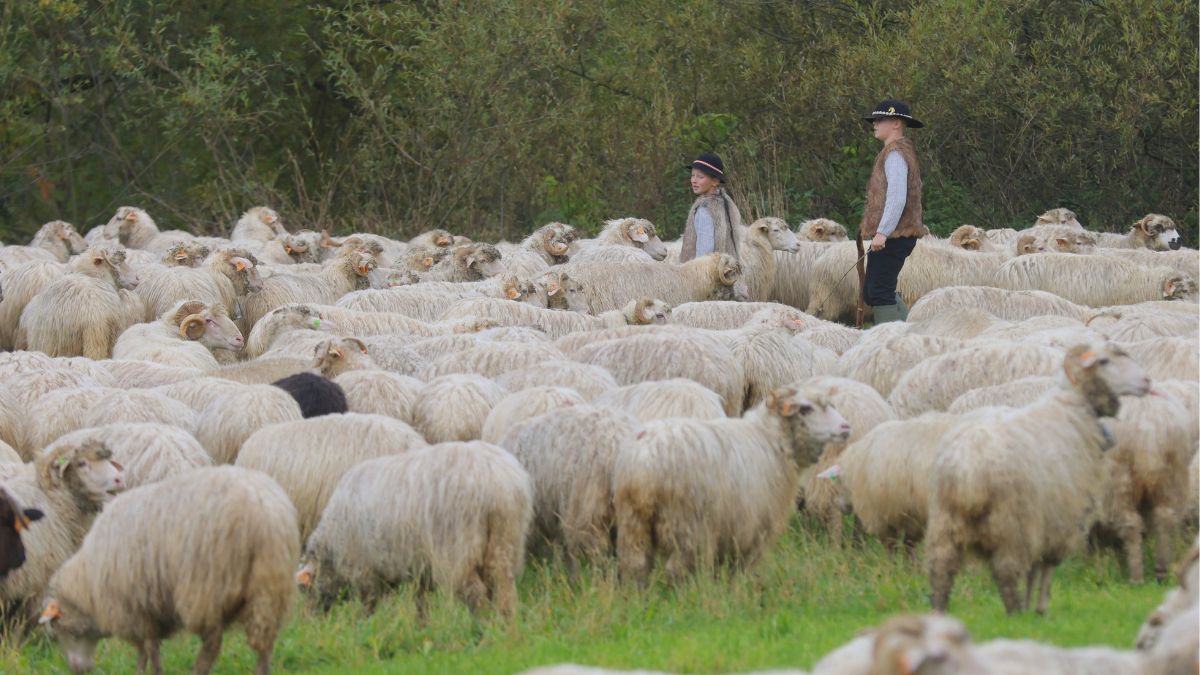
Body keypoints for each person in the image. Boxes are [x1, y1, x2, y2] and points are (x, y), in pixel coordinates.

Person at [859, 99, 928, 323]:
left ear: (896, 123)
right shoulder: (894, 152)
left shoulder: (896, 154)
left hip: (895, 235)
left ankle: (895, 338)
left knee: (879, 291)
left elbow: (897, 197)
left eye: (880, 119)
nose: (874, 124)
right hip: (894, 235)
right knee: (874, 290)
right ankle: (909, 331)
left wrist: (883, 232)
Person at [680, 152, 742, 262]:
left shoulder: (704, 210)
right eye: (692, 175)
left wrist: (697, 271)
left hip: (706, 270)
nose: (694, 180)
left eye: (700, 177)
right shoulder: (727, 204)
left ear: (715, 181)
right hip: (729, 268)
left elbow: (704, 253)